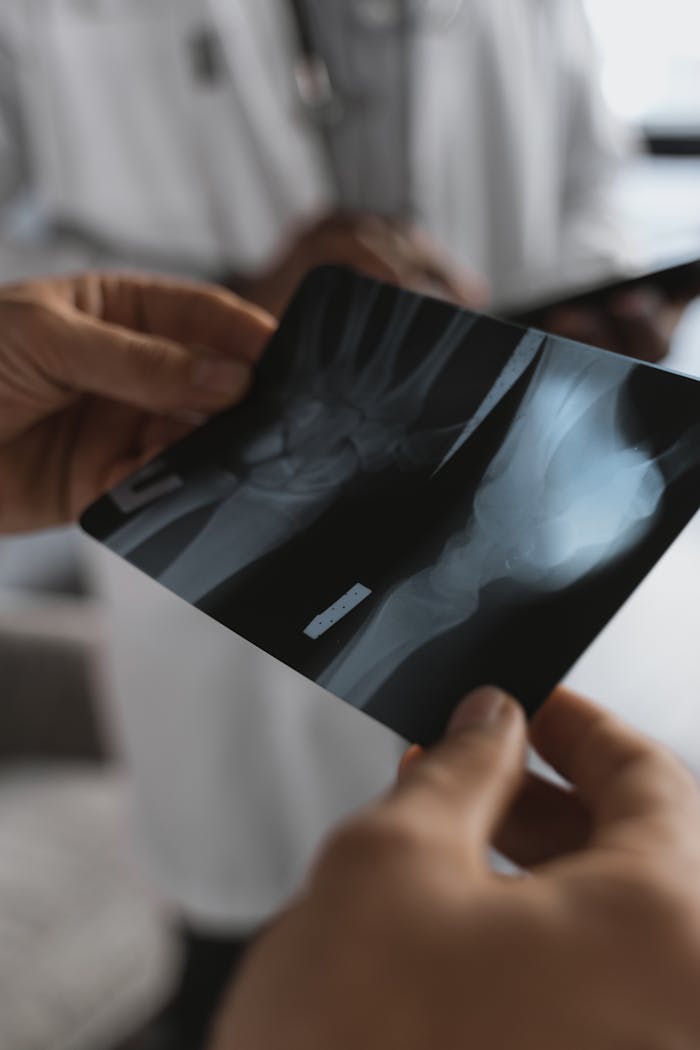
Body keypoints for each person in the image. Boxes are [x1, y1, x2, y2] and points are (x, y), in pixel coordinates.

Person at [1, 4, 698, 1046]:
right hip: (200, 494)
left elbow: (588, 179)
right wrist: (249, 302)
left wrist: (601, 306)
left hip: (510, 514)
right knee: (234, 955)